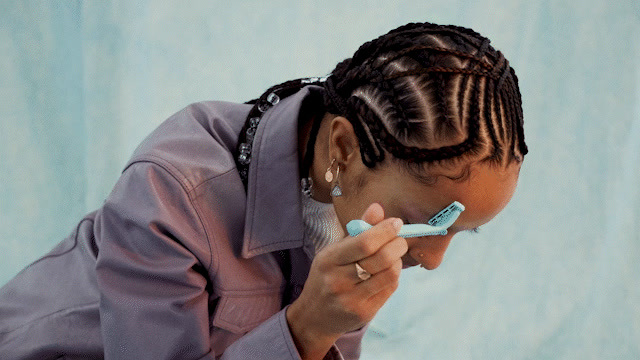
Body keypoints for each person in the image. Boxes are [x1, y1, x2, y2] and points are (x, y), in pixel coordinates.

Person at [0, 22, 527, 360]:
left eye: (464, 231)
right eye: (426, 223)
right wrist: (306, 330)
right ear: (342, 149)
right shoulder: (170, 191)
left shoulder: (351, 201)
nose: (434, 259)